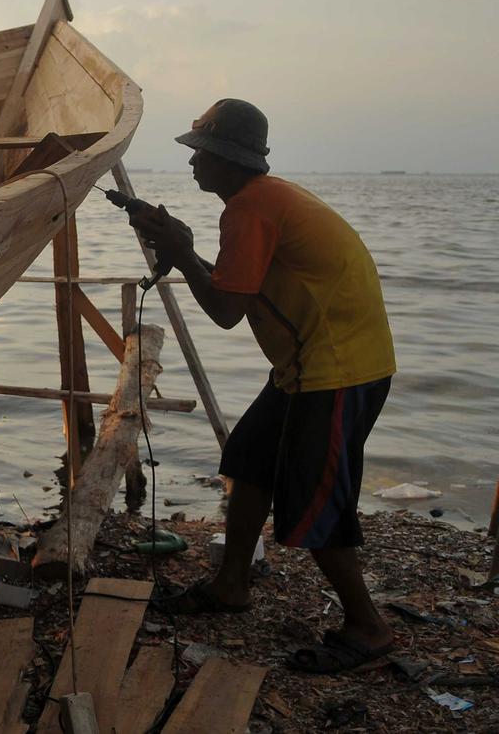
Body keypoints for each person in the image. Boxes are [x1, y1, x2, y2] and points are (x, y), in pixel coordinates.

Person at [128, 98, 397, 674]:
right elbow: (234, 287)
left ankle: (368, 628)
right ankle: (232, 583)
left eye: (200, 152)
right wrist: (183, 248)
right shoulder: (264, 200)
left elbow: (225, 309)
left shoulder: (249, 210)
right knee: (249, 457)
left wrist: (178, 250)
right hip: (312, 368)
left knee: (313, 499)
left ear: (227, 159)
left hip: (338, 372)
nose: (193, 163)